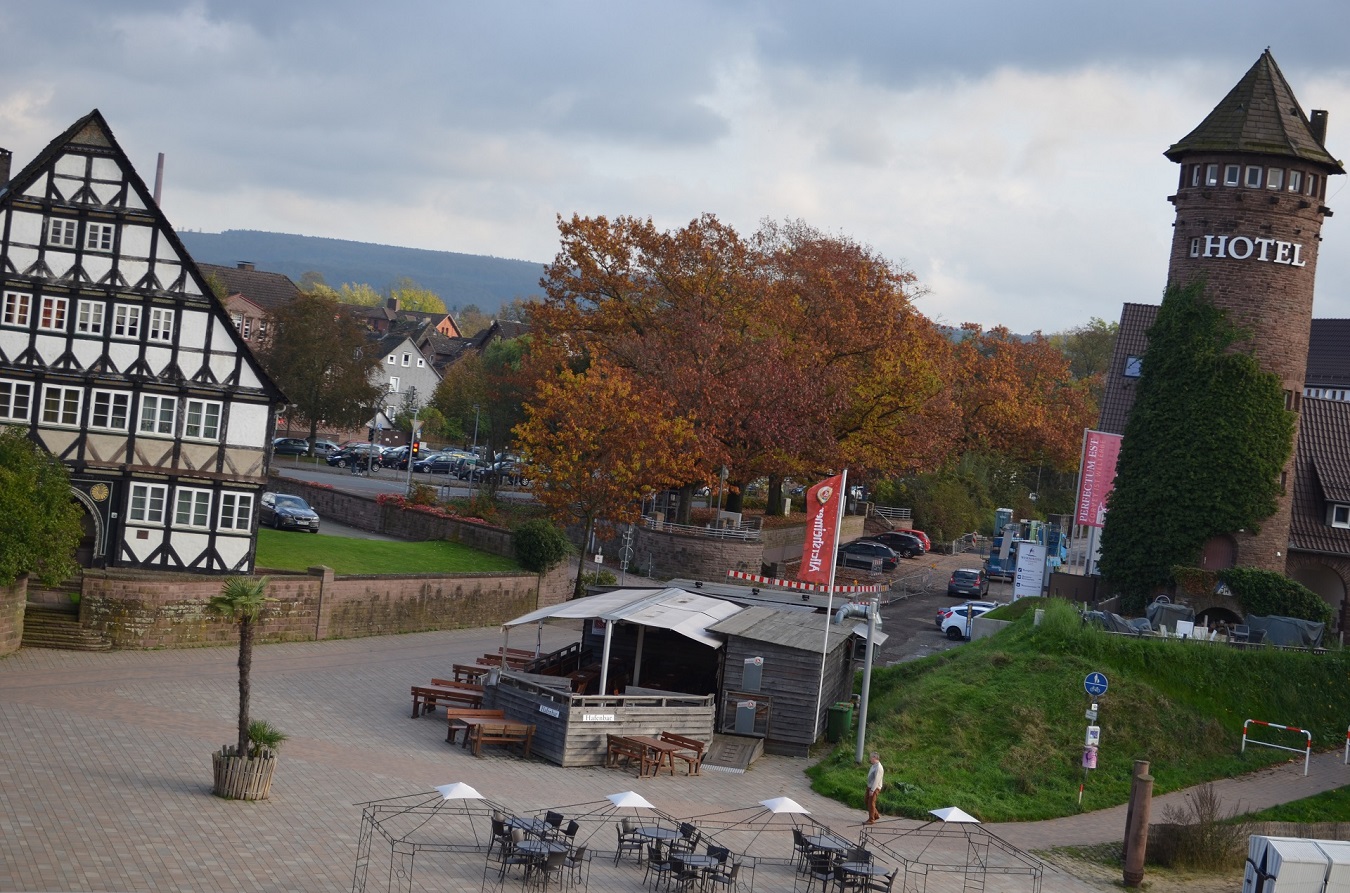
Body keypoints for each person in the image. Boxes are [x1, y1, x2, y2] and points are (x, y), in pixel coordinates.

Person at [865, 752, 884, 824]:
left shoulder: (879, 767)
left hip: (875, 788)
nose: (870, 759)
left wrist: (872, 790)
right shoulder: (873, 765)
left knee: (871, 803)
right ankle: (876, 814)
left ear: (875, 758)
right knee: (866, 800)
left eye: (871, 757)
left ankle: (871, 819)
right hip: (870, 786)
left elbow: (877, 780)